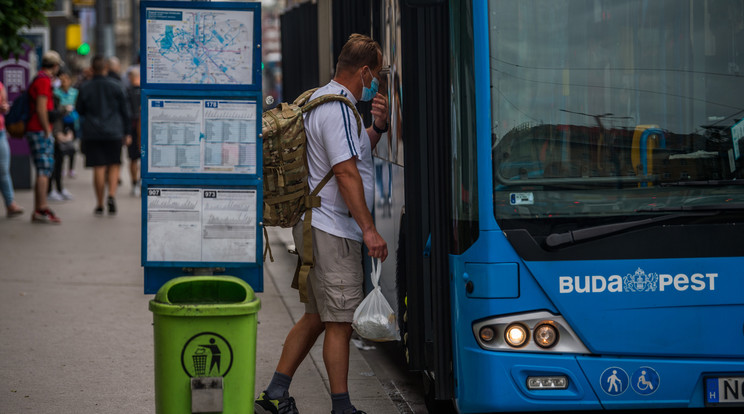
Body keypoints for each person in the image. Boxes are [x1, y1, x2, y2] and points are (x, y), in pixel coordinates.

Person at [255, 34, 389, 414]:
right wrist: (369, 229)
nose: (375, 82)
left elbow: (352, 152)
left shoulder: (321, 100)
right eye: (375, 74)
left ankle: (275, 394)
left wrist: (377, 128)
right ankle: (342, 408)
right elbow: (346, 173)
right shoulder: (339, 110)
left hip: (316, 225)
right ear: (363, 71)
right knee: (340, 322)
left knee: (317, 317)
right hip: (331, 229)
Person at [76, 55, 132, 216]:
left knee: (98, 168)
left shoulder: (85, 87)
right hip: (114, 132)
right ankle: (112, 196)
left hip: (92, 133)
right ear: (106, 68)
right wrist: (127, 132)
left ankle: (100, 203)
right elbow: (125, 111)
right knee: (114, 164)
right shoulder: (117, 86)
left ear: (92, 69)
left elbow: (79, 110)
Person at [25, 50, 63, 224]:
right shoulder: (43, 80)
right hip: (39, 129)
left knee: (43, 168)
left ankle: (39, 207)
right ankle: (42, 208)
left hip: (36, 128)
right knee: (44, 169)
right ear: (55, 66)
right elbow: (41, 108)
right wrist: (47, 130)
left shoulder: (39, 78)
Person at [0, 80, 24, 218]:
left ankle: (10, 204)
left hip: (1, 132)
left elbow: (6, 106)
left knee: (3, 169)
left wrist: (4, 108)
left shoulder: (0, 85)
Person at [54, 70, 79, 179]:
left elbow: (77, 105)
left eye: (66, 80)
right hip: (61, 122)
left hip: (72, 120)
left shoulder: (74, 92)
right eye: (62, 80)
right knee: (61, 147)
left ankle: (71, 169)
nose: (64, 82)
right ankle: (62, 168)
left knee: (71, 147)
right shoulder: (56, 92)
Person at [125, 68, 141, 197]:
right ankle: (141, 182)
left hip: (131, 129)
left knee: (133, 159)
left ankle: (134, 183)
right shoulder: (145, 91)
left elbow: (126, 113)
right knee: (144, 158)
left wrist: (127, 133)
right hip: (144, 130)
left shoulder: (127, 92)